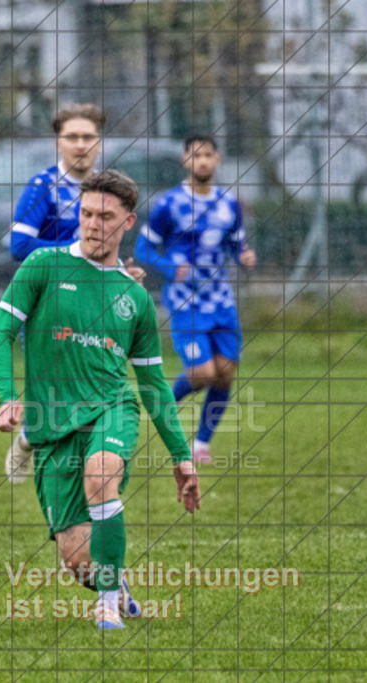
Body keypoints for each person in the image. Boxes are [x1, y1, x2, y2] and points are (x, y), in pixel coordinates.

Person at [0, 170, 202, 630]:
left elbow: (153, 386)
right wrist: (7, 397)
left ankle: (106, 605)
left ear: (128, 222)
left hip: (111, 408)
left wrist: (182, 457)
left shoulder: (134, 298)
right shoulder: (44, 265)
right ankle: (110, 580)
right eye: (85, 214)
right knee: (76, 557)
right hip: (52, 424)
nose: (93, 224)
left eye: (105, 216)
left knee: (101, 473)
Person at [4, 103, 143, 483]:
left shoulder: (106, 189)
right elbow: (18, 245)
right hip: (50, 302)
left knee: (97, 384)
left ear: (99, 143)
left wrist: (119, 272)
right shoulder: (42, 187)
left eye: (88, 137)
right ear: (58, 143)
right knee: (64, 392)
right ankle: (38, 437)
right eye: (72, 137)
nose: (80, 144)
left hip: (95, 301)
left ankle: (97, 463)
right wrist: (78, 250)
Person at [134, 134, 256, 464]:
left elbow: (235, 243)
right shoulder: (169, 204)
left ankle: (201, 444)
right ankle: (163, 407)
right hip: (186, 303)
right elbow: (142, 249)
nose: (202, 161)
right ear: (185, 161)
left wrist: (243, 255)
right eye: (195, 155)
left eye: (208, 155)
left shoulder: (229, 203)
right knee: (202, 373)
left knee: (225, 373)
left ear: (217, 160)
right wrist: (169, 266)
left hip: (222, 302)